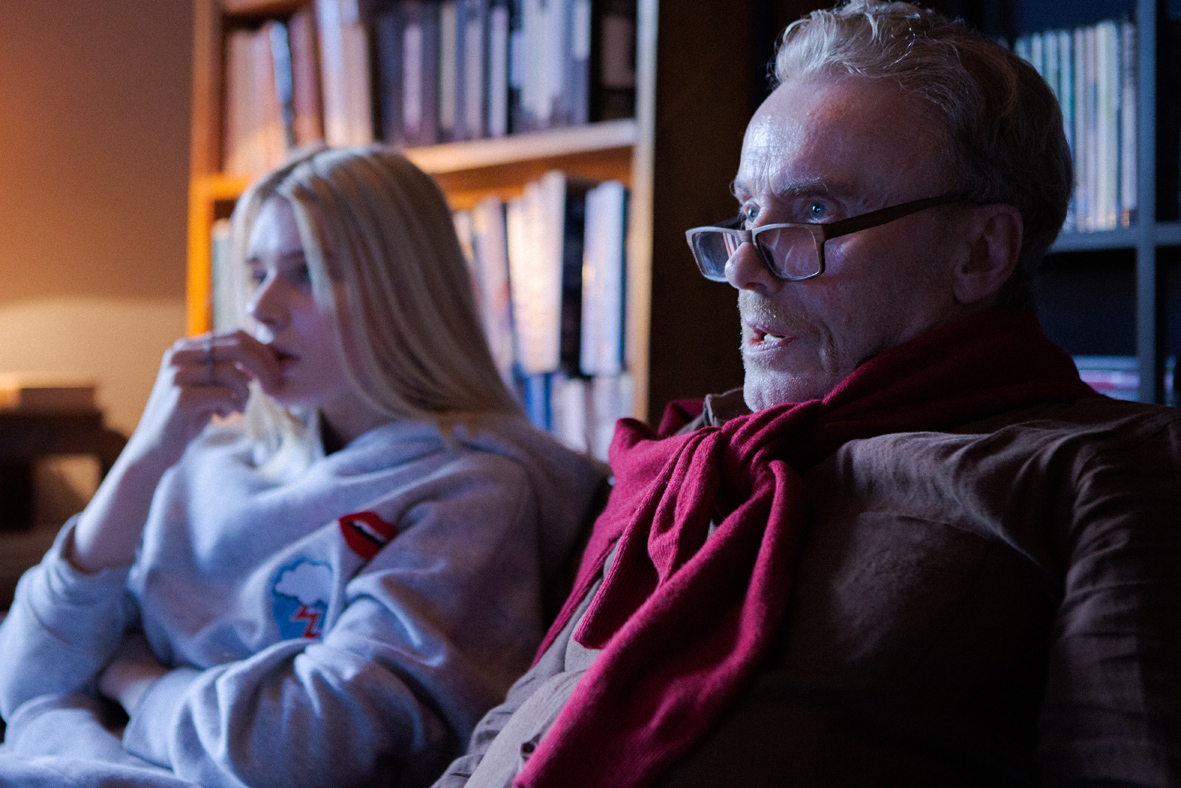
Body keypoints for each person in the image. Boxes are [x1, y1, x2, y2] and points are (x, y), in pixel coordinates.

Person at [429, 3, 1181, 787]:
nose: (744, 268)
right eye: (747, 214)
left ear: (980, 252)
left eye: (815, 211)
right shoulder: (688, 462)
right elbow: (511, 729)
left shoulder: (1107, 470)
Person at [0, 146, 604, 788]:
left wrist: (132, 681)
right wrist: (145, 460)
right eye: (256, 273)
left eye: (307, 273)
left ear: (408, 293)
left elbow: (303, 746)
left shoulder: (473, 493)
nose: (262, 308)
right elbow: (22, 681)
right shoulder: (205, 461)